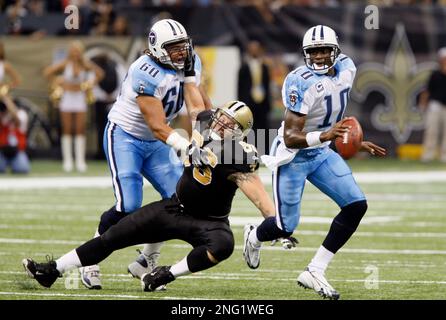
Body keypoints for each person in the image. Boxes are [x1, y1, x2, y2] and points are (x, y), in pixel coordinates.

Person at [22, 101, 276, 292]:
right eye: (221, 117)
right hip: (175, 208)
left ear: (240, 133)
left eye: (229, 124)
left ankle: (164, 275)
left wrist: (277, 224)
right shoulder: (205, 121)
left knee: (223, 246)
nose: (220, 124)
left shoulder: (239, 156)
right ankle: (52, 270)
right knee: (112, 237)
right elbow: (196, 103)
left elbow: (259, 197)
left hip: (209, 222)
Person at [242, 25, 386, 300]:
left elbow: (334, 113)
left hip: (321, 152)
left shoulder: (347, 68)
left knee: (356, 205)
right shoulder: (299, 80)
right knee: (285, 227)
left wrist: (352, 140)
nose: (319, 56)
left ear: (336, 51)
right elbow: (291, 136)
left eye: (324, 50)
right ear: (305, 53)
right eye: (313, 51)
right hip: (293, 156)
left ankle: (315, 269)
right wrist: (326, 135)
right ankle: (254, 236)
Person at [77, 19, 209, 290]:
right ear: (156, 47)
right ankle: (90, 258)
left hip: (158, 140)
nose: (181, 52)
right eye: (173, 47)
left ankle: (146, 261)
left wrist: (206, 133)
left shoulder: (189, 61)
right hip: (126, 137)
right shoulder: (144, 70)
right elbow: (157, 124)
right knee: (129, 205)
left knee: (179, 200)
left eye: (182, 46)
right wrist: (185, 146)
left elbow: (197, 103)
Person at [43, 41, 104, 173]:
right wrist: (58, 82)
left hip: (80, 98)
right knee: (67, 128)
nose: (75, 53)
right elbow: (47, 72)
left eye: (77, 50)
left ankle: (80, 161)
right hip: (67, 98)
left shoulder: (85, 64)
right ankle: (68, 161)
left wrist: (90, 83)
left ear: (80, 52)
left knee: (80, 128)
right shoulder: (65, 63)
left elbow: (100, 73)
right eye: (73, 50)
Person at [90, 53, 126, 160]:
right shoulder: (95, 68)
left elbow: (123, 82)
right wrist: (105, 96)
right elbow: (93, 84)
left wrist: (113, 96)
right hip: (101, 101)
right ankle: (101, 152)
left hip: (114, 102)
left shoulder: (117, 67)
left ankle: (114, 151)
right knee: (100, 128)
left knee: (116, 127)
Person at [237, 41, 271, 132]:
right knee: (249, 127)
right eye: (252, 49)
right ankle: (250, 145)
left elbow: (268, 86)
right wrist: (241, 104)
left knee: (263, 128)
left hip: (262, 103)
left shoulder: (265, 67)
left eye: (256, 49)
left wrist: (268, 103)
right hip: (248, 102)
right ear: (248, 51)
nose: (254, 51)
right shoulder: (243, 68)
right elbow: (240, 88)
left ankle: (263, 145)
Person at [419, 47, 446, 163]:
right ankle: (428, 155)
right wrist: (423, 104)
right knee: (432, 131)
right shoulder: (435, 74)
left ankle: (444, 156)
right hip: (435, 105)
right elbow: (427, 90)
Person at [0, 92, 30, 174]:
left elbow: (17, 122)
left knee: (22, 169)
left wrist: (7, 101)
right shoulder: (2, 115)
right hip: (2, 150)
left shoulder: (22, 114)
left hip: (17, 151)